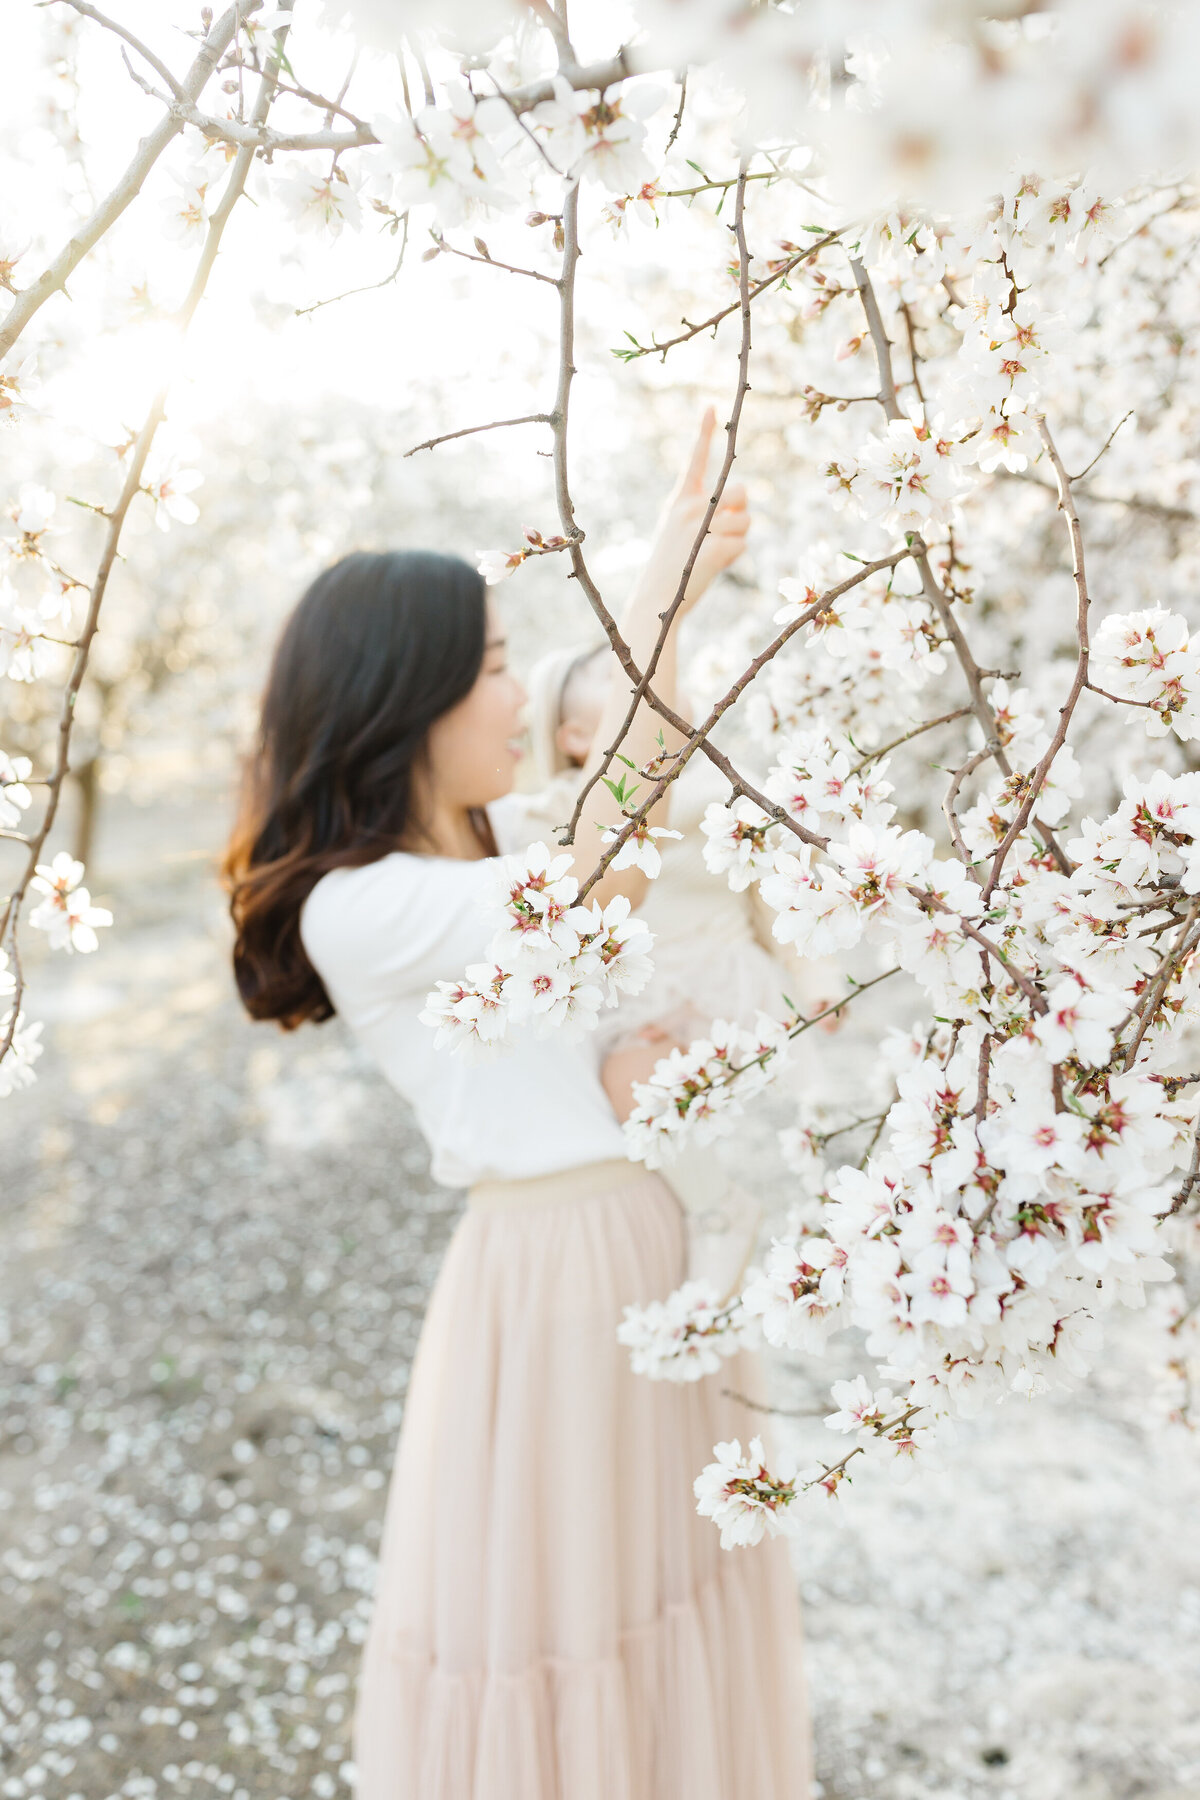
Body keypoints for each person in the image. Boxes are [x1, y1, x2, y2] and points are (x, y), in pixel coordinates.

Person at [222, 413, 811, 1799]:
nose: (516, 700)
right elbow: (613, 850)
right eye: (490, 668)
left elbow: (640, 829)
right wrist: (667, 577)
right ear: (402, 700)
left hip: (656, 1251)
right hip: (551, 1283)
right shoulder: (360, 910)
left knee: (671, 1597)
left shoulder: (502, 842)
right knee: (576, 1632)